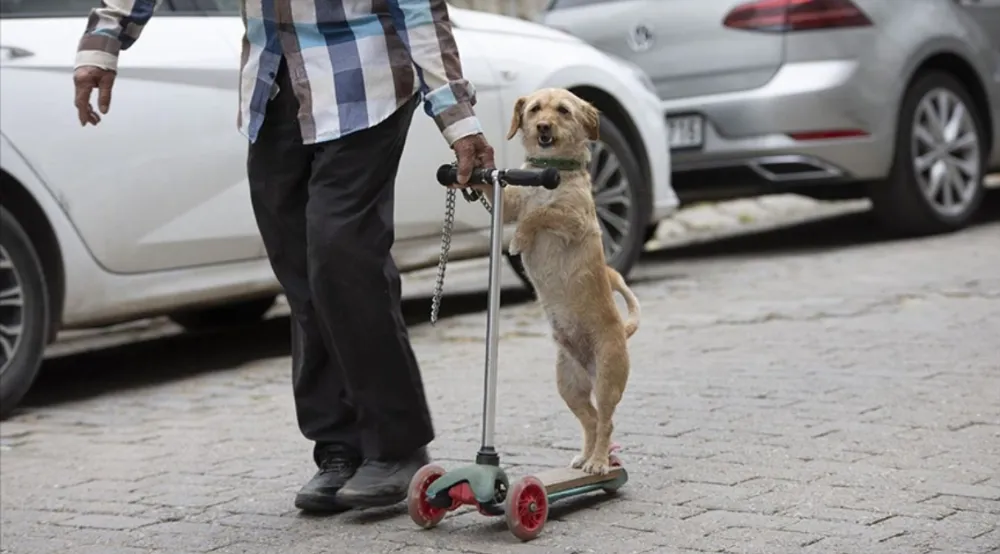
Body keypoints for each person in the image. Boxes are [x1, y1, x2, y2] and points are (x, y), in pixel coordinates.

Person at [73, 0, 496, 512]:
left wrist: (458, 118)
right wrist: (106, 39)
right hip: (272, 85)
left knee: (341, 254)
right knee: (300, 271)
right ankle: (340, 446)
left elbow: (418, 8)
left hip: (363, 79)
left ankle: (397, 446)